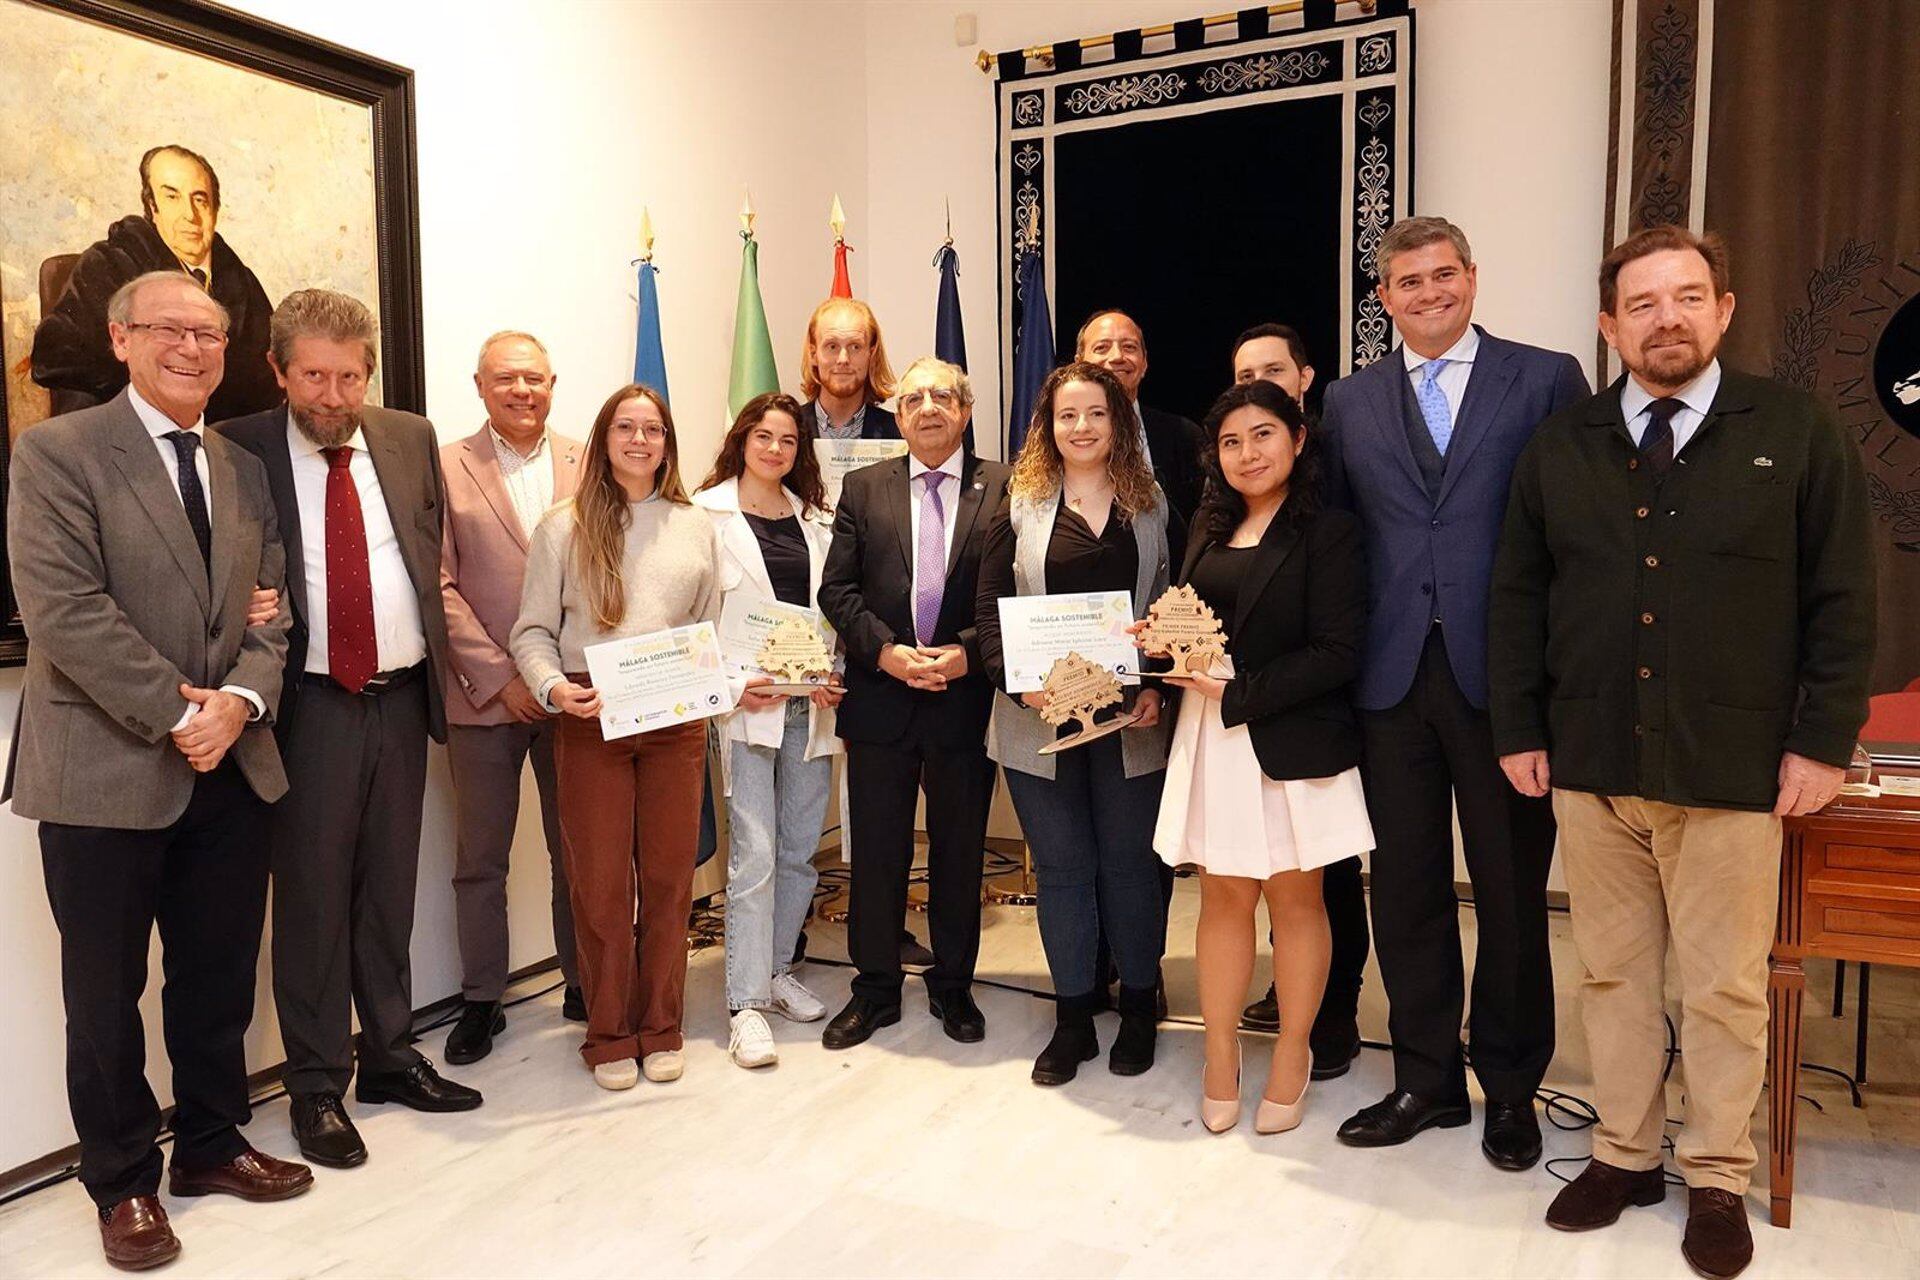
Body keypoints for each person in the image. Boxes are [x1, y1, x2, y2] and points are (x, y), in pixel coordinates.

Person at [1490, 225, 1875, 1280]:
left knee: (1722, 986)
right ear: (1611, 325)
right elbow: (1519, 596)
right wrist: (1519, 725)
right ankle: (1622, 1151)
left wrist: (1823, 739)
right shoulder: (1561, 445)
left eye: (1688, 297)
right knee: (1614, 975)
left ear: (1725, 309)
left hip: (1734, 766)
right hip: (1591, 760)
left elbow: (1845, 595)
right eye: (1645, 302)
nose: (1669, 317)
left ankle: (1713, 1169)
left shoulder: (1794, 431)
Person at [6, 271, 310, 1270]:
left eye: (210, 333)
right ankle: (123, 1177)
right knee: (103, 992)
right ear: (121, 338)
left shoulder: (240, 465)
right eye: (171, 330)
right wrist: (188, 708)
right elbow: (67, 611)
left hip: (231, 760)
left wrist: (241, 703)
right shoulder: (58, 451)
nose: (193, 347)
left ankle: (213, 1143)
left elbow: (273, 611)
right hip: (103, 767)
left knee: (218, 974)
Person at [1320, 216, 1590, 1170]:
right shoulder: (1350, 403)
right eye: (1407, 282)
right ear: (1383, 297)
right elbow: (1337, 548)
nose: (1428, 293)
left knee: (1515, 892)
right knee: (1405, 888)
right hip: (1389, 684)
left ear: (1472, 278)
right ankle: (1426, 1078)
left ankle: (1510, 1087)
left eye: (1443, 276)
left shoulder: (1547, 377)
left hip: (1506, 684)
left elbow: (1580, 533)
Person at [218, 289, 474, 1171]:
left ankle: (392, 1057)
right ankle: (316, 1084)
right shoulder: (239, 446)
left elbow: (427, 554)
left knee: (388, 889)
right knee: (315, 901)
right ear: (281, 371)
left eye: (351, 376)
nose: (334, 396)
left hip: (400, 699)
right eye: (316, 377)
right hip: (309, 706)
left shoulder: (408, 437)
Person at [1144, 379, 1372, 1136]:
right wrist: (1160, 645)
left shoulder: (1330, 531)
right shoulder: (1209, 528)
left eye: (1263, 435)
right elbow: (1198, 623)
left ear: (1298, 441)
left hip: (1289, 740)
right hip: (1213, 741)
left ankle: (1293, 1052)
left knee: (1297, 903)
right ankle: (1218, 1056)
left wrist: (1233, 688)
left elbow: (1338, 653)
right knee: (1222, 899)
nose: (1248, 453)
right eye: (1232, 441)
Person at [510, 383, 720, 1091]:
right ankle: (608, 1035)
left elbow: (706, 626)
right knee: (599, 887)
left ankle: (661, 1027)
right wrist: (553, 688)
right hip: (589, 718)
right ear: (603, 441)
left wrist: (705, 681)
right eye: (625, 428)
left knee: (666, 882)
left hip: (673, 724)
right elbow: (531, 632)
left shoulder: (695, 526)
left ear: (668, 443)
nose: (640, 440)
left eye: (653, 429)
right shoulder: (562, 527)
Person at [974, 362, 1171, 1086]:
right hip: (1038, 722)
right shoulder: (1018, 504)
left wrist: (1157, 691)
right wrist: (1018, 684)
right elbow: (990, 605)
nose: (1081, 427)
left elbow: (1167, 608)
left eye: (1095, 414)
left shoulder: (1149, 506)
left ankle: (1142, 1008)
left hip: (1130, 719)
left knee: (1128, 868)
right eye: (1067, 416)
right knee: (1062, 872)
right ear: (1047, 426)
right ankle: (1073, 1018)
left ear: (1117, 422)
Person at [817, 357, 1011, 1049]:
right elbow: (836, 591)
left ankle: (954, 988)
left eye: (943, 397)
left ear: (964, 410)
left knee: (959, 853)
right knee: (876, 852)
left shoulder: (1008, 487)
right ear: (899, 416)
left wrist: (964, 652)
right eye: (914, 398)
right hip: (881, 700)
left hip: (965, 702)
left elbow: (1017, 591)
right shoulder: (864, 488)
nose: (928, 407)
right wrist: (887, 653)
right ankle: (873, 990)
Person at [438, 330, 586, 1065]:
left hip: (575, 699)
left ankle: (585, 982)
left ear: (553, 382)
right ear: (480, 385)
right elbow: (436, 585)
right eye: (506, 379)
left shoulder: (588, 463)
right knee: (480, 859)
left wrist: (557, 679)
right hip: (485, 700)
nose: (522, 390)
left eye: (534, 378)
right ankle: (481, 999)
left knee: (580, 850)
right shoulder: (443, 468)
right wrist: (502, 677)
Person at [1228, 322, 1370, 1082]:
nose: (1264, 380)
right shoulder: (1235, 484)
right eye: (1248, 371)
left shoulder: (1332, 470)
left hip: (1313, 706)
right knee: (1271, 874)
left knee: (1327, 878)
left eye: (1275, 370)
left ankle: (1334, 1017)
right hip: (1241, 720)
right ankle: (1290, 994)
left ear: (1306, 379)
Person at [692, 392, 844, 1069]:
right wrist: (728, 685)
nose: (776, 448)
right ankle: (745, 1003)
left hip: (811, 701)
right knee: (753, 854)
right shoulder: (705, 516)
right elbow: (694, 619)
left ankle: (779, 969)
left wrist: (834, 669)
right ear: (741, 440)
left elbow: (831, 611)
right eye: (764, 435)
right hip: (746, 705)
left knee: (799, 850)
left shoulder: (818, 519)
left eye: (788, 439)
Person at [32, 144, 279, 423]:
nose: (190, 215)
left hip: (225, 449)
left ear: (215, 210)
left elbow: (270, 383)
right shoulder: (109, 264)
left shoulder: (241, 281)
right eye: (172, 197)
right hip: (130, 439)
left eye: (200, 199)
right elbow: (60, 359)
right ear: (152, 206)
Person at [1076, 309, 1206, 544]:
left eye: (1129, 347)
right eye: (1101, 347)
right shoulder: (1060, 438)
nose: (1117, 356)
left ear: (1144, 364)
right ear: (1079, 364)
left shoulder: (1185, 436)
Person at [798, 297, 900, 440]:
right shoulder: (790, 430)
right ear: (814, 354)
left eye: (855, 347)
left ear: (871, 355)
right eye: (832, 346)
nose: (843, 359)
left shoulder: (899, 435)